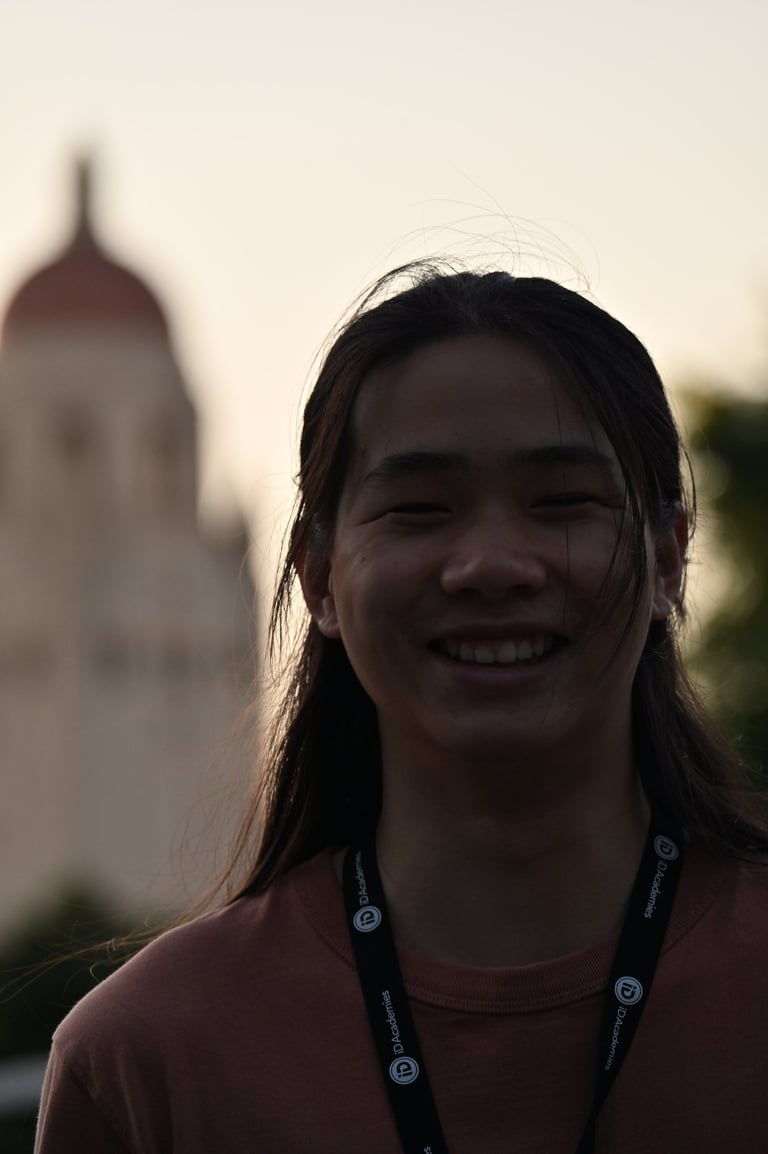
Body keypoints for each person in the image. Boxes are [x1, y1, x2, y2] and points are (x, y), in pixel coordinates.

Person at [35, 264, 768, 1153]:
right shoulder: (145, 1060)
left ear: (669, 557)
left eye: (562, 502)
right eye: (419, 509)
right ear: (318, 577)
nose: (491, 565)